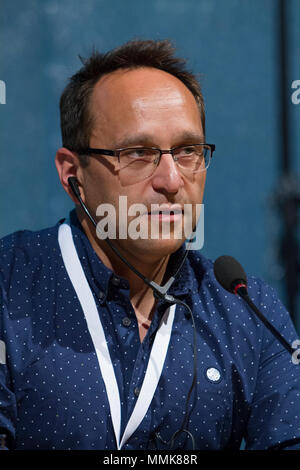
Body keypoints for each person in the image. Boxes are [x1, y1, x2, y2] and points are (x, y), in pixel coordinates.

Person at [1, 39, 300, 451]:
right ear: (74, 174)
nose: (171, 181)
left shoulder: (247, 310)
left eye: (188, 151)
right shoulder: (8, 287)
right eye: (138, 153)